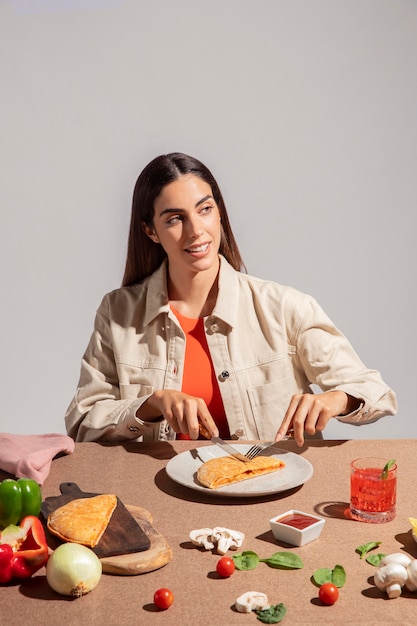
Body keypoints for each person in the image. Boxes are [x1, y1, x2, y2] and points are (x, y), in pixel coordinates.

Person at [65, 152, 397, 446]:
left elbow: (377, 393)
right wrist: (151, 404)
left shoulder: (284, 308)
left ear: (219, 212)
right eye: (175, 219)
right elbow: (82, 425)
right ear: (151, 231)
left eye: (204, 209)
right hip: (163, 499)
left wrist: (336, 400)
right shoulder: (117, 313)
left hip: (269, 499)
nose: (196, 230)